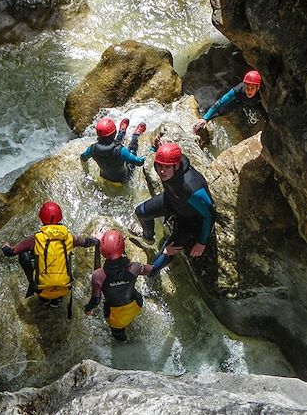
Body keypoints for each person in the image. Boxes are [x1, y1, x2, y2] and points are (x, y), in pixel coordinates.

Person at [1, 201, 98, 316]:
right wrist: (97, 241)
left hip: (41, 290)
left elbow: (10, 252)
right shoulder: (69, 237)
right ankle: (56, 301)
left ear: (41, 219)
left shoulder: (35, 239)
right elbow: (86, 242)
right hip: (64, 288)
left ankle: (43, 298)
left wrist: (5, 245)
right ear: (60, 218)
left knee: (24, 254)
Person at [134, 143, 215, 277]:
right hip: (173, 200)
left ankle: (154, 269)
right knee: (141, 212)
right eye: (159, 166)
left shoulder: (191, 187)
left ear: (176, 165)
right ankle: (148, 238)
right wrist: (155, 148)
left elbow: (210, 216)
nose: (161, 171)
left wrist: (202, 243)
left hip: (190, 222)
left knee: (158, 262)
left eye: (166, 167)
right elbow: (162, 159)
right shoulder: (164, 166)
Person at [84, 229, 152, 342]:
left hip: (115, 318)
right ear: (123, 248)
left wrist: (87, 309)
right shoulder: (134, 268)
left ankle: (122, 340)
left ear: (102, 251)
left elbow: (95, 301)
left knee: (118, 332)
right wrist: (164, 254)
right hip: (136, 305)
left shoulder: (98, 275)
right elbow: (150, 269)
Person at [193, 69, 265, 133]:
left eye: (252, 88)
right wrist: (205, 118)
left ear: (258, 87)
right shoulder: (239, 89)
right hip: (240, 101)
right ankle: (203, 121)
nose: (249, 91)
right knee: (222, 111)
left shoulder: (263, 93)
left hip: (258, 104)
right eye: (247, 87)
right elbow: (220, 102)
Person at [81, 117, 146, 184]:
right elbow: (139, 162)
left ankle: (122, 130)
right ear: (114, 133)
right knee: (132, 150)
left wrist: (86, 171)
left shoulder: (92, 149)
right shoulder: (121, 151)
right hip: (122, 178)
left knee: (115, 144)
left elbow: (83, 157)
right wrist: (150, 152)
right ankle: (136, 135)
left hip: (104, 177)